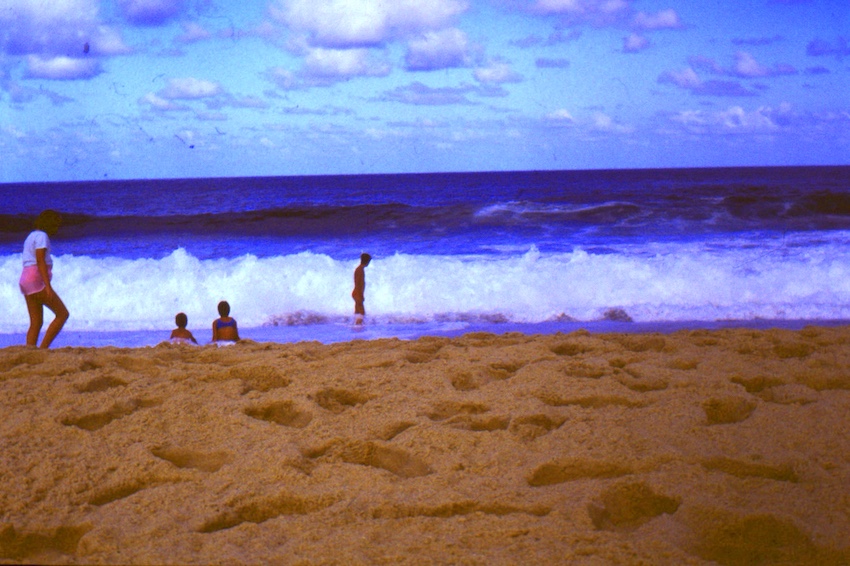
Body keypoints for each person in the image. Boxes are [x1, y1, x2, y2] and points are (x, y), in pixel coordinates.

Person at [19, 210, 69, 349]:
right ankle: (43, 349)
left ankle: (30, 351)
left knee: (35, 322)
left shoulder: (31, 236)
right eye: (56, 224)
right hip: (35, 279)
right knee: (62, 314)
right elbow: (40, 260)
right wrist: (47, 286)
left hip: (25, 280)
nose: (57, 228)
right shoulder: (42, 236)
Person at [352, 253, 371, 325]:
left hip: (357, 293)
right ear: (367, 261)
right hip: (357, 293)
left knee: (357, 312)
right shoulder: (360, 270)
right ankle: (358, 326)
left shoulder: (360, 269)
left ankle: (355, 326)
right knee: (362, 313)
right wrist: (360, 295)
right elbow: (358, 283)